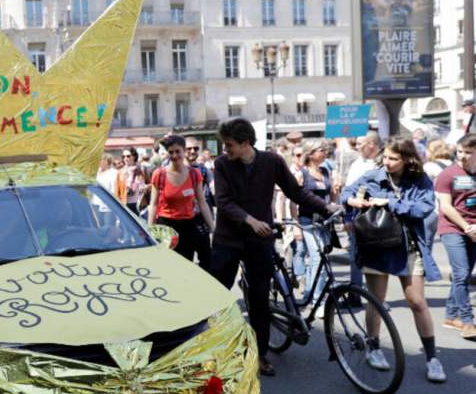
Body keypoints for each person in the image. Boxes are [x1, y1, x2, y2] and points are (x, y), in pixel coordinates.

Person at [208, 119, 335, 377]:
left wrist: (326, 207)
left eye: (229, 144)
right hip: (228, 239)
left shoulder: (272, 161)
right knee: (216, 297)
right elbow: (223, 201)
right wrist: (250, 220)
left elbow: (295, 192)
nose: (225, 149)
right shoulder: (222, 164)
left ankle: (260, 355)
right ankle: (213, 349)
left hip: (259, 240)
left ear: (245, 143)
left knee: (259, 301)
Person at [342, 136, 446, 383]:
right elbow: (346, 192)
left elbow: (424, 208)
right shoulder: (373, 176)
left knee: (417, 301)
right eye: (385, 157)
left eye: (394, 158)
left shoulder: (419, 179)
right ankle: (374, 347)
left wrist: (391, 203)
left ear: (408, 159)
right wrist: (352, 200)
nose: (387, 162)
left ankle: (432, 357)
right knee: (376, 301)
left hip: (407, 247)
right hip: (376, 245)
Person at [146, 135, 214, 265]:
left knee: (186, 263)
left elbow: (202, 203)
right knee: (168, 264)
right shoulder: (159, 174)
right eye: (171, 152)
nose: (174, 155)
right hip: (166, 226)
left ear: (184, 151)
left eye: (178, 151)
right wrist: (150, 230)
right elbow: (153, 204)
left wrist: (212, 227)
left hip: (188, 225)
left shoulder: (195, 174)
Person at [434, 134, 476, 339]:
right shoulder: (448, 174)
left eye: (468, 152)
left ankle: (450, 315)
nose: (463, 156)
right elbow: (446, 207)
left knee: (465, 273)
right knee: (461, 273)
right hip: (452, 227)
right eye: (460, 151)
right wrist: (467, 227)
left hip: (473, 228)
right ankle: (468, 321)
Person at [292, 140, 336, 317]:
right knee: (318, 258)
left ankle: (309, 296)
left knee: (321, 259)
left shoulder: (326, 171)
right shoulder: (301, 173)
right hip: (307, 220)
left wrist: (336, 193)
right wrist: (296, 226)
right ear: (310, 153)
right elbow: (293, 201)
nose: (325, 152)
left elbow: (331, 196)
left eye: (326, 150)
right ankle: (318, 300)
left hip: (324, 221)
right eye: (321, 150)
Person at [343, 132, 382, 295]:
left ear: (372, 144)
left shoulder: (381, 163)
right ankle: (356, 293)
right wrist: (347, 217)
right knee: (355, 256)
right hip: (359, 216)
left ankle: (378, 297)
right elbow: (348, 192)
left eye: (361, 143)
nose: (357, 147)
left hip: (380, 217)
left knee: (377, 258)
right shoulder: (357, 163)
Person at [120, 149, 146, 214]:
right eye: (124, 156)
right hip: (122, 203)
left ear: (134, 157)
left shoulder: (138, 170)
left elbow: (142, 187)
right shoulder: (121, 171)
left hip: (134, 204)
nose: (125, 158)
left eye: (128, 156)